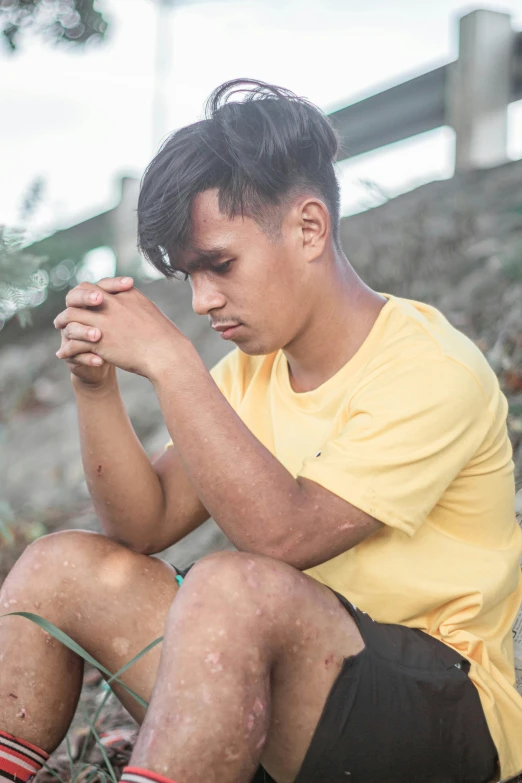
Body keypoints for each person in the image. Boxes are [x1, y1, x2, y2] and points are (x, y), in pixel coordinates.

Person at [0, 79, 521, 783]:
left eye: (219, 264)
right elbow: (141, 525)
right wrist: (96, 388)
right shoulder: (253, 374)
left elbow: (284, 538)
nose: (202, 299)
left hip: (442, 714)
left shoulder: (429, 367)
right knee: (59, 567)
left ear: (309, 228)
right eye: (188, 275)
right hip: (297, 696)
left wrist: (172, 361)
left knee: (231, 587)